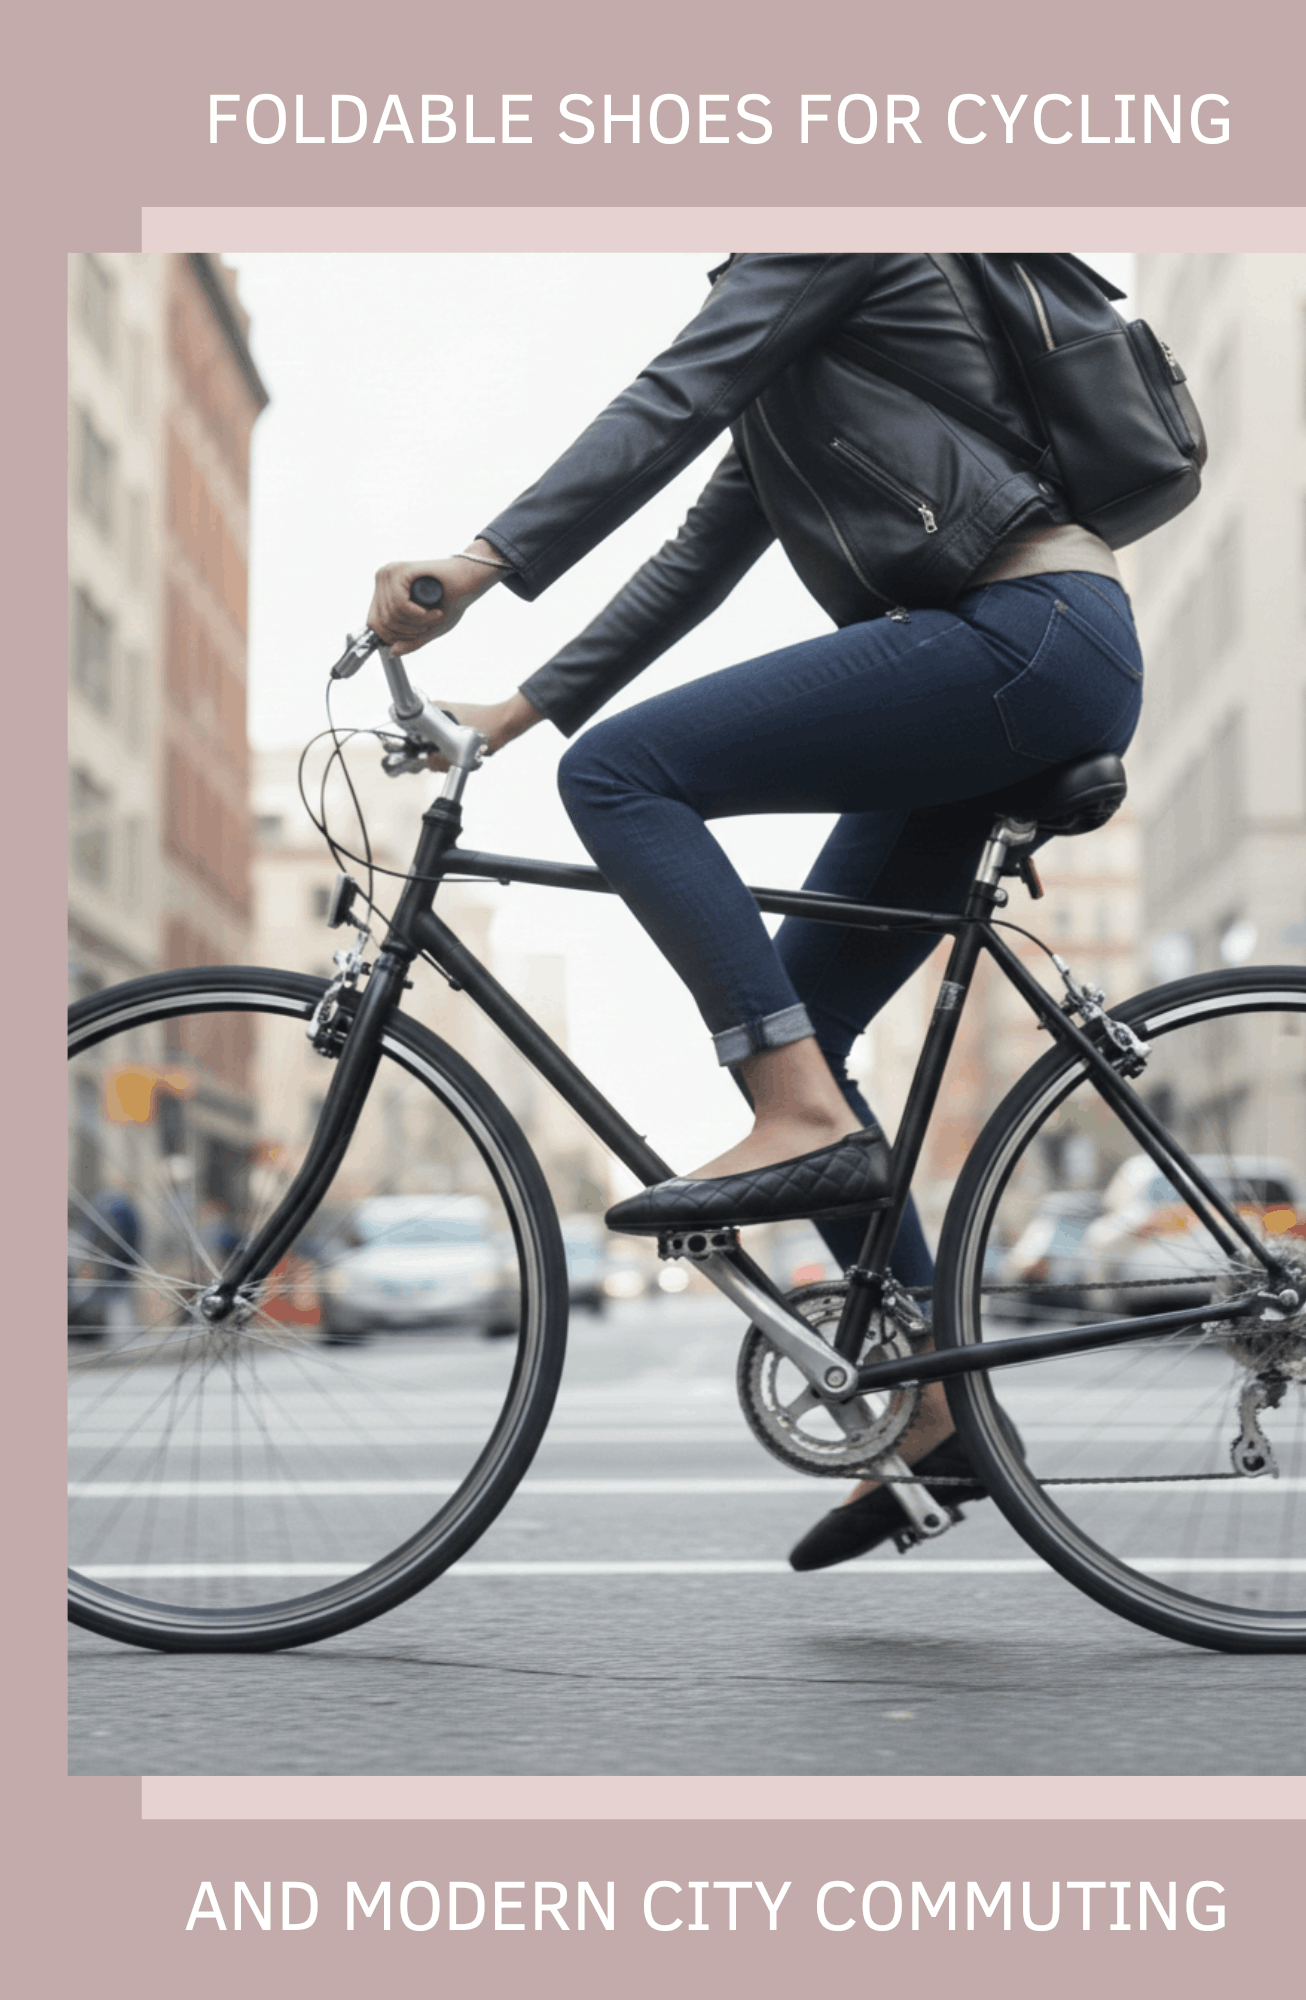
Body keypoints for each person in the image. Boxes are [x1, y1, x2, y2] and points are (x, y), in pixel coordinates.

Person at [367, 253, 1143, 1568]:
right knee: (811, 1022)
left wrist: (479, 560)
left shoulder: (826, 225)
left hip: (1018, 635)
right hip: (1022, 651)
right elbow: (696, 555)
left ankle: (795, 1118)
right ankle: (937, 1407)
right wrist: (510, 713)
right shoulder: (795, 350)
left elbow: (663, 399)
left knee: (619, 776)